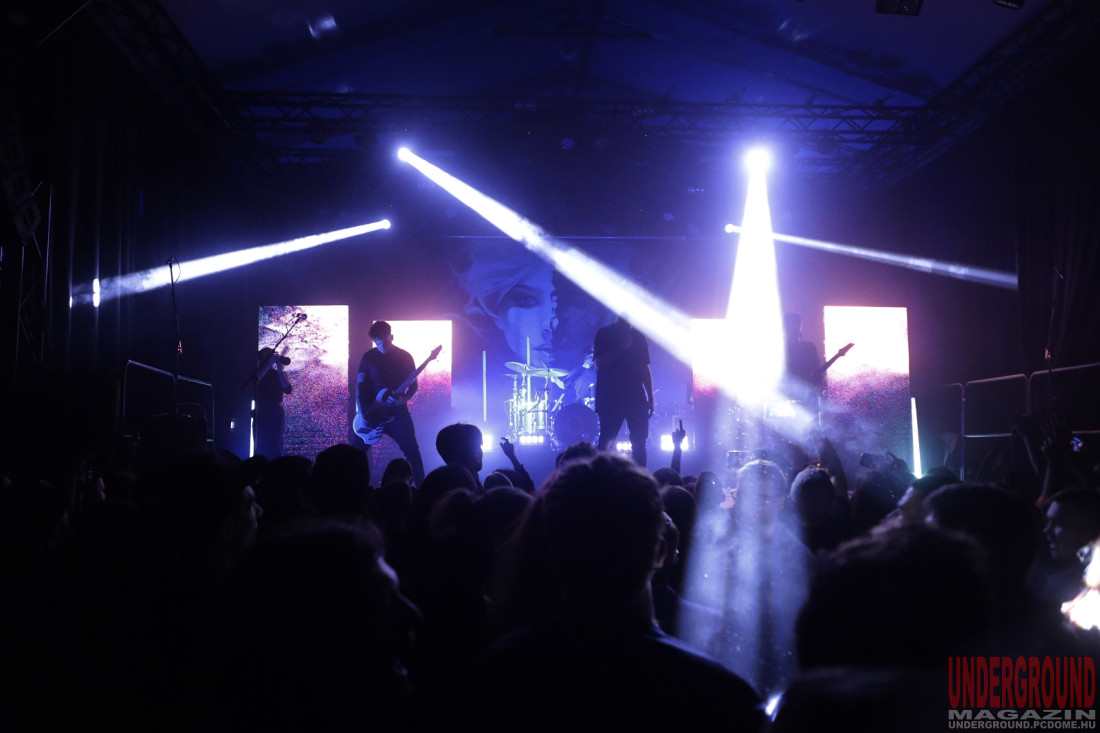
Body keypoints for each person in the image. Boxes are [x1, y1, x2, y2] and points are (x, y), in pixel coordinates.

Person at [357, 321, 426, 486]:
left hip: (398, 413)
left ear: (392, 337)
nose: (382, 347)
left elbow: (414, 386)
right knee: (355, 455)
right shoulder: (368, 357)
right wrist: (362, 413)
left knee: (413, 453)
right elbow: (360, 387)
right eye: (378, 343)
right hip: (372, 413)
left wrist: (405, 398)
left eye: (385, 343)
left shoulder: (405, 357)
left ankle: (423, 491)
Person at [593, 316, 654, 467]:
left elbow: (644, 368)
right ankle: (600, 477)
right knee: (606, 441)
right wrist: (620, 348)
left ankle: (639, 478)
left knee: (639, 444)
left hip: (635, 397)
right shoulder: (604, 334)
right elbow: (599, 363)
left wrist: (650, 397)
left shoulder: (638, 336)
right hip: (610, 398)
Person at [253, 347, 292, 459]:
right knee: (260, 440)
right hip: (261, 409)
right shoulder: (256, 372)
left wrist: (280, 371)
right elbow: (255, 382)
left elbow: (287, 389)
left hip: (276, 410)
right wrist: (268, 365)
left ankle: (275, 463)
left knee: (276, 441)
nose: (270, 358)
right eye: (267, 356)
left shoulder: (277, 373)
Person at [782, 312, 822, 405]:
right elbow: (817, 372)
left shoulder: (808, 347)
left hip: (801, 393)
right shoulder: (808, 347)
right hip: (795, 393)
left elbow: (816, 372)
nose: (793, 328)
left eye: (795, 324)